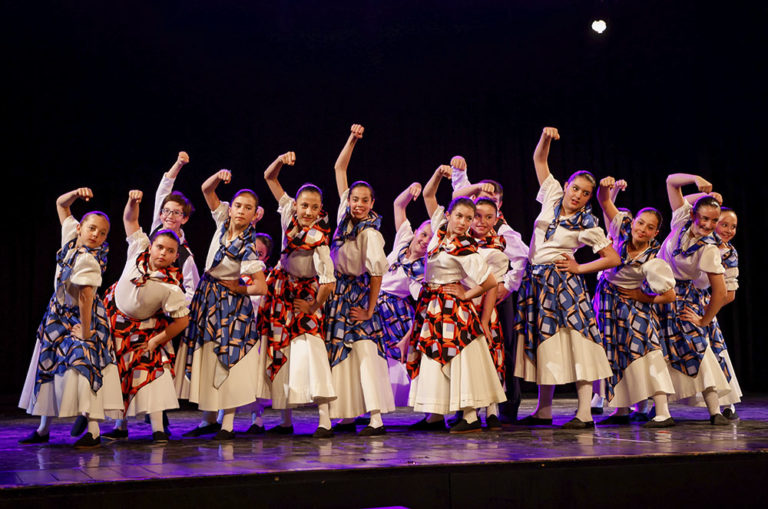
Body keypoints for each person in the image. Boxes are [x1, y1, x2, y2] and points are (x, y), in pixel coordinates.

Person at [513, 127, 620, 429]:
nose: (578, 196)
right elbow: (539, 160)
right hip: (536, 282)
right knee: (547, 344)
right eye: (576, 188)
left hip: (562, 284)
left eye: (585, 193)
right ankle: (543, 410)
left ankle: (584, 412)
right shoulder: (552, 195)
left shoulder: (587, 223)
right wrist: (546, 138)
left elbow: (613, 258)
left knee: (577, 344)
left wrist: (578, 268)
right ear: (567, 185)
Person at [19, 188, 121, 447]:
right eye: (92, 229)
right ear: (80, 228)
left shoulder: (89, 259)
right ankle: (43, 429)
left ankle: (93, 428)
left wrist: (86, 332)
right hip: (58, 314)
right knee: (48, 365)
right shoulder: (71, 238)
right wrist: (76, 193)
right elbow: (61, 205)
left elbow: (85, 298)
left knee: (86, 366)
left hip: (82, 317)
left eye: (102, 233)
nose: (96, 235)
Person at [407, 165, 505, 434]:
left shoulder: (465, 248)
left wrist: (465, 294)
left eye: (468, 218)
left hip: (454, 310)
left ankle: (471, 416)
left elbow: (490, 282)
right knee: (433, 358)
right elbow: (428, 194)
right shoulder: (439, 232)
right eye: (459, 216)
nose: (463, 222)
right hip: (433, 306)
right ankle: (435, 415)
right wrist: (439, 175)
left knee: (461, 361)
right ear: (448, 216)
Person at [181, 169, 268, 439]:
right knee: (208, 356)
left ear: (255, 214)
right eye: (238, 206)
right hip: (207, 296)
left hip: (230, 304)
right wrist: (218, 177)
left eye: (248, 208)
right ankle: (209, 419)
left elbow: (261, 286)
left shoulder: (248, 244)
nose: (241, 211)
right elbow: (207, 189)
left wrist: (238, 287)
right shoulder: (222, 222)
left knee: (228, 358)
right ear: (230, 209)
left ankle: (227, 423)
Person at [257, 151, 337, 437]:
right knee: (282, 349)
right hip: (282, 289)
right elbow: (269, 177)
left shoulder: (320, 238)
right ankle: (286, 419)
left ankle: (325, 419)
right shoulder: (288, 214)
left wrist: (313, 306)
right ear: (296, 205)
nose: (307, 212)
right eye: (304, 205)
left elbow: (328, 281)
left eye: (314, 207)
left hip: (306, 294)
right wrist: (280, 160)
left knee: (312, 351)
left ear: (320, 209)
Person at [100, 190, 190, 442]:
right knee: (118, 374)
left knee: (152, 376)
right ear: (151, 246)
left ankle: (158, 429)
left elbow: (182, 320)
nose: (162, 253)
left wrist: (155, 341)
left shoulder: (172, 286)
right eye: (159, 247)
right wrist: (132, 201)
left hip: (145, 329)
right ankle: (119, 426)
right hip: (115, 324)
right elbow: (130, 220)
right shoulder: (138, 248)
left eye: (169, 251)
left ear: (175, 256)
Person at [326, 124, 395, 436]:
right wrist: (352, 139)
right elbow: (340, 168)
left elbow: (377, 272)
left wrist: (369, 309)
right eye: (355, 199)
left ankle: (376, 417)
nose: (358, 204)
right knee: (342, 352)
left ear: (372, 204)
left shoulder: (370, 233)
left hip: (358, 293)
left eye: (364, 200)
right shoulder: (344, 218)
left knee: (366, 351)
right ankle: (347, 413)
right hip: (337, 292)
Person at [593, 177, 677, 427]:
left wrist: (643, 297)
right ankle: (621, 409)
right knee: (616, 355)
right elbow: (604, 201)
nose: (642, 229)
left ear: (655, 233)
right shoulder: (622, 229)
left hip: (635, 307)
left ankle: (663, 411)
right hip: (608, 304)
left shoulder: (654, 257)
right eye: (640, 223)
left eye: (649, 227)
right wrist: (605, 186)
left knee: (648, 354)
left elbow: (670, 295)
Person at [450, 155, 529, 422]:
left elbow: (522, 260)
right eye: (479, 203)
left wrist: (508, 284)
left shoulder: (504, 233)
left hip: (496, 297)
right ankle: (465, 406)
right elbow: (459, 193)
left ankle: (504, 406)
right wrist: (459, 169)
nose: (482, 219)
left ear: (499, 206)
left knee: (502, 347)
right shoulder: (464, 233)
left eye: (491, 201)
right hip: (468, 298)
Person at [657, 174, 731, 424]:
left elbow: (720, 292)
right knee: (657, 352)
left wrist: (703, 320)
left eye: (714, 220)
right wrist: (696, 180)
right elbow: (671, 182)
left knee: (698, 348)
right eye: (705, 218)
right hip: (656, 294)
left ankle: (715, 411)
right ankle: (656, 411)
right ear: (692, 215)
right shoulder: (681, 220)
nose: (709, 225)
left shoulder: (709, 248)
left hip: (682, 298)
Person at [377, 182, 432, 406]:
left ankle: (418, 402)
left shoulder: (421, 271)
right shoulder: (404, 239)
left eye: (431, 239)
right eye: (424, 234)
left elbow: (424, 307)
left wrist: (407, 337)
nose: (425, 240)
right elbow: (398, 205)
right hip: (373, 300)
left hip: (393, 309)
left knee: (399, 357)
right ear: (417, 231)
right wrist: (411, 189)